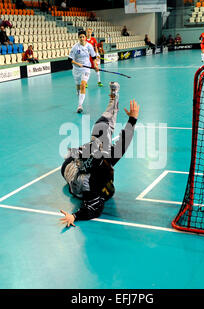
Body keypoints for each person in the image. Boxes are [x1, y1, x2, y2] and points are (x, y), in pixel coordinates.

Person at [59, 83, 140, 227]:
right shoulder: (90, 184)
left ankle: (113, 100)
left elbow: (122, 144)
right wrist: (74, 216)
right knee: (100, 135)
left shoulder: (102, 159)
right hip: (69, 167)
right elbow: (92, 209)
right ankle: (112, 101)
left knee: (101, 128)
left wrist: (132, 119)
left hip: (81, 159)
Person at [68, 30, 99, 113]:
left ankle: (80, 105)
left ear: (85, 37)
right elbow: (69, 59)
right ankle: (79, 94)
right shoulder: (75, 47)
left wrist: (95, 65)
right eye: (80, 37)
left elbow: (93, 57)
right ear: (78, 38)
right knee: (78, 86)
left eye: (83, 37)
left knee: (83, 84)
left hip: (86, 68)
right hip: (76, 69)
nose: (82, 38)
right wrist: (77, 63)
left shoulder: (89, 46)